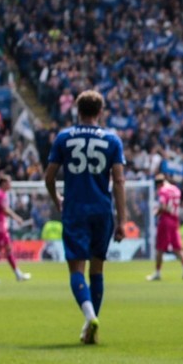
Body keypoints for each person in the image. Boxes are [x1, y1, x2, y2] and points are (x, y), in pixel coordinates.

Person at [44, 90, 127, 345]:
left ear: (77, 111)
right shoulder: (112, 140)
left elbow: (49, 177)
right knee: (97, 269)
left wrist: (57, 199)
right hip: (102, 210)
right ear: (100, 112)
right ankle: (91, 326)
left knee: (76, 269)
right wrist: (122, 220)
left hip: (75, 209)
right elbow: (119, 181)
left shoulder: (64, 138)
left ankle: (90, 317)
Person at [148, 172, 183, 281]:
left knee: (160, 248)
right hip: (175, 220)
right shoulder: (176, 189)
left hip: (165, 219)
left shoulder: (162, 190)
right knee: (178, 247)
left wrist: (157, 212)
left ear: (159, 184)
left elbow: (163, 206)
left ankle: (157, 273)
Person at [0, 174, 30, 283]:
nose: (10, 184)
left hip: (0, 225)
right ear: (3, 183)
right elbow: (5, 210)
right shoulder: (0, 195)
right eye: (9, 182)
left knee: (9, 249)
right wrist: (17, 218)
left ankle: (18, 274)